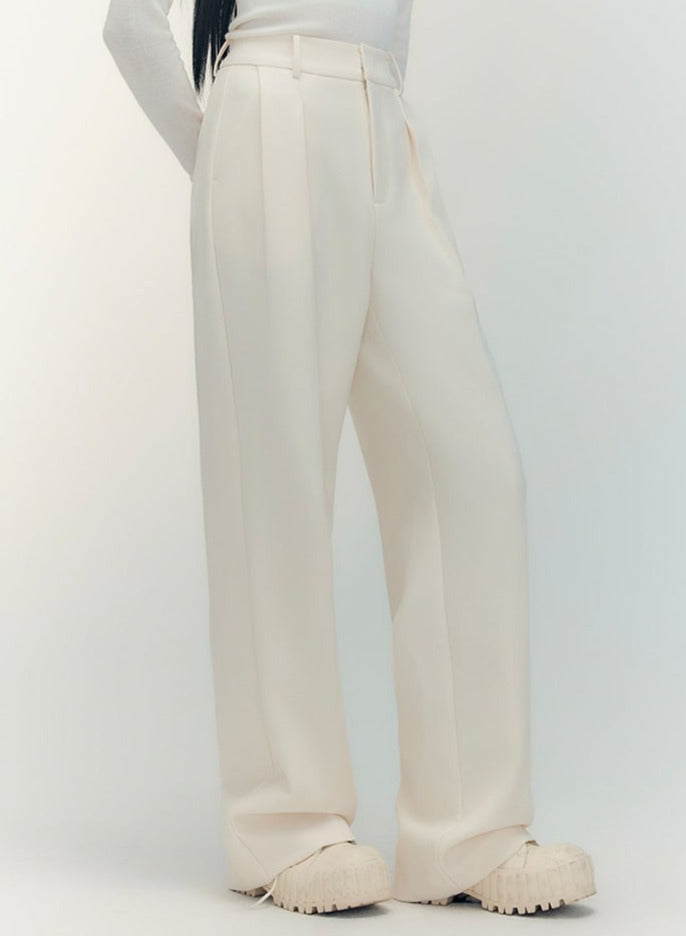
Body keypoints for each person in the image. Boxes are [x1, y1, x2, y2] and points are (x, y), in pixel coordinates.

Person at [102, 0, 597, 917]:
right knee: (275, 483)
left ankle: (469, 831)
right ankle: (283, 825)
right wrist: (224, 164)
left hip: (384, 121)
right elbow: (130, 25)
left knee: (472, 475)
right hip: (267, 108)